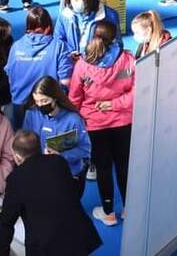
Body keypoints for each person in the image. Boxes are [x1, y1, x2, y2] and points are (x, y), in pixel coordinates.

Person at [68, 20, 135, 227]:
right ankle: (129, 209)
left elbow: (74, 98)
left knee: (103, 169)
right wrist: (115, 104)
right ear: (115, 37)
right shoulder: (127, 60)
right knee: (124, 166)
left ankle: (108, 213)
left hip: (94, 125)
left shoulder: (82, 65)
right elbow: (136, 92)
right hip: (124, 122)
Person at [0, 130, 103, 255]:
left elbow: (6, 222)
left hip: (46, 246)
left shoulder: (15, 178)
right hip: (78, 236)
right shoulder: (58, 161)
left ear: (17, 156)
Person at [22, 76, 92, 198]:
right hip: (41, 174)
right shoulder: (31, 114)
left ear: (55, 97)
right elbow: (25, 142)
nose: (39, 105)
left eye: (44, 101)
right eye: (36, 101)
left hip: (69, 174)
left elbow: (85, 150)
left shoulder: (73, 119)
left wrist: (61, 156)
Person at [6, 7, 74, 128]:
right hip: (48, 106)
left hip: (19, 106)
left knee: (25, 144)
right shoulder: (59, 46)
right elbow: (65, 82)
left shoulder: (15, 46)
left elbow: (10, 77)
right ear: (48, 27)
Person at [54, 0, 120, 60]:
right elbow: (58, 41)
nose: (74, 2)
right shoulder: (65, 16)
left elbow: (117, 45)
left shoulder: (109, 15)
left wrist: (97, 57)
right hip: (73, 64)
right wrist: (69, 54)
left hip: (99, 64)